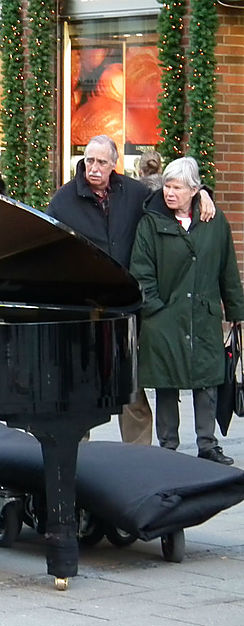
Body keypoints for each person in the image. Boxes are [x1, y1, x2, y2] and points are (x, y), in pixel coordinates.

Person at [46, 135, 216, 446]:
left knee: (131, 390)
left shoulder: (134, 193)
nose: (93, 168)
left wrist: (203, 193)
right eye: (89, 161)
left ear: (114, 165)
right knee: (82, 386)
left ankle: (137, 458)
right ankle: (77, 456)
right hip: (86, 308)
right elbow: (51, 251)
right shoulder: (63, 201)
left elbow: (173, 201)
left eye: (101, 162)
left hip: (127, 306)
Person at [130, 157, 244, 465]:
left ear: (194, 190)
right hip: (164, 315)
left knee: (206, 378)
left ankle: (207, 443)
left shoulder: (214, 221)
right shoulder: (151, 222)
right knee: (167, 381)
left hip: (203, 314)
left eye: (177, 187)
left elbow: (227, 268)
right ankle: (169, 445)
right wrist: (155, 308)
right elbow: (141, 273)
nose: (169, 192)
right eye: (167, 185)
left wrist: (235, 309)